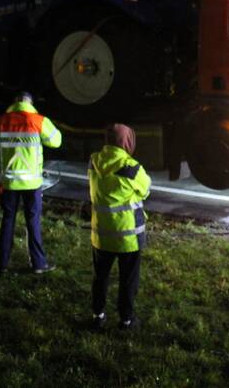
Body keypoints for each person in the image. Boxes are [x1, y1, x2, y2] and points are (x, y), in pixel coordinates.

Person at [0, 91, 62, 274]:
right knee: (33, 221)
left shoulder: (2, 121)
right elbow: (56, 141)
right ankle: (38, 264)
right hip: (32, 184)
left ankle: (1, 263)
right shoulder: (38, 121)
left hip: (9, 183)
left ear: (14, 102)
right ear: (30, 103)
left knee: (8, 220)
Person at [89, 123, 151, 330]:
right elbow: (145, 190)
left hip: (101, 234)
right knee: (128, 280)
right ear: (127, 142)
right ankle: (126, 319)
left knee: (100, 277)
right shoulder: (132, 167)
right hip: (128, 236)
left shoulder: (94, 161)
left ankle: (98, 315)